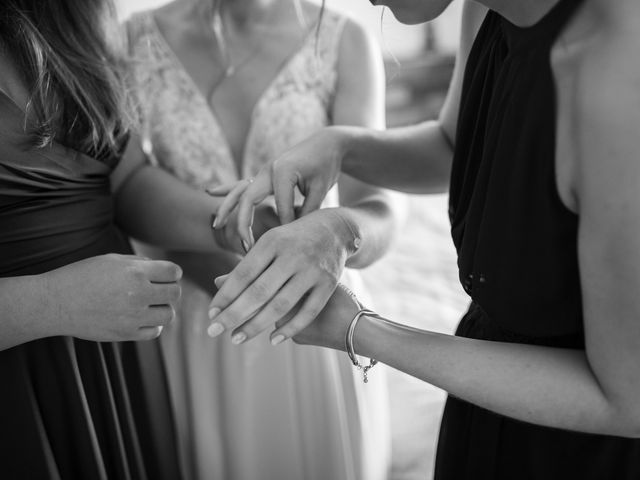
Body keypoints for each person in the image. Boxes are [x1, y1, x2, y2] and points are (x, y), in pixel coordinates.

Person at [210, 0, 640, 478]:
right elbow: (456, 147)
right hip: (483, 404)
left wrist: (359, 328)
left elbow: (625, 401)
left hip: (582, 453)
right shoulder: (491, 9)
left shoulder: (618, 71)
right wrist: (341, 147)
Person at [125, 0, 401, 479]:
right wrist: (236, 221)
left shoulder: (343, 41)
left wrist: (338, 233)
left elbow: (380, 209)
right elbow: (125, 188)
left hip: (313, 320)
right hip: (191, 319)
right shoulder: (132, 40)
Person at [0, 1, 247, 477]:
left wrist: (233, 219)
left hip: (111, 359)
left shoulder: (75, 12)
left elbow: (123, 181)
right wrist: (52, 303)